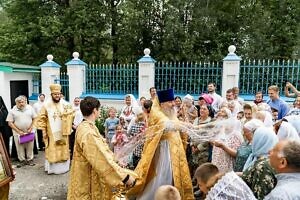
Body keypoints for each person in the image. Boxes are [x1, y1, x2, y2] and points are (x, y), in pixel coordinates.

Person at [128, 88, 194, 200]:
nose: (173, 104)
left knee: (174, 176)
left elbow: (176, 123)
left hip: (174, 151)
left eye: (173, 101)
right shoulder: (157, 113)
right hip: (163, 151)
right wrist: (186, 125)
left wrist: (185, 125)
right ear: (162, 103)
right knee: (162, 175)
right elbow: (167, 125)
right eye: (170, 102)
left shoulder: (170, 112)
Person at [67, 96, 137, 200]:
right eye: (99, 109)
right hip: (88, 177)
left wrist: (115, 159)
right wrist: (125, 177)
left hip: (84, 172)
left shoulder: (85, 125)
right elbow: (100, 158)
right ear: (95, 110)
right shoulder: (88, 132)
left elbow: (102, 148)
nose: (99, 112)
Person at [36, 84, 74, 174]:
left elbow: (72, 114)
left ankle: (64, 167)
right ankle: (53, 168)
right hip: (52, 133)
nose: (57, 96)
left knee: (63, 147)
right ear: (51, 95)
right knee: (53, 148)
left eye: (58, 94)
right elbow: (41, 119)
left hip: (63, 131)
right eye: (55, 94)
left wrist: (67, 115)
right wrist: (43, 131)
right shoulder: (46, 105)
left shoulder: (66, 104)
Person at [242, 127, 278, 199]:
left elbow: (261, 195)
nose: (252, 141)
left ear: (260, 141)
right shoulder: (258, 157)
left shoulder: (263, 166)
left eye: (255, 138)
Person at [6, 96, 37, 167]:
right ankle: (22, 160)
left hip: (29, 131)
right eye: (19, 102)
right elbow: (10, 123)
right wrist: (19, 131)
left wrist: (31, 128)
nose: (21, 104)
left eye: (22, 102)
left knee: (30, 146)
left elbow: (35, 118)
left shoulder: (30, 108)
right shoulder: (12, 111)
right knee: (20, 147)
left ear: (25, 102)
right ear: (16, 103)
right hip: (18, 133)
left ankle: (30, 159)